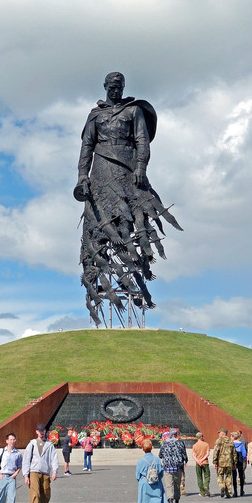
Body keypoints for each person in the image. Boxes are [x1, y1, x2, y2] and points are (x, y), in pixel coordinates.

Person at [75, 72, 182, 324]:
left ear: (123, 88)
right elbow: (87, 147)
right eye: (112, 87)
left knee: (130, 221)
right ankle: (101, 282)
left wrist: (141, 167)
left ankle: (135, 277)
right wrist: (82, 176)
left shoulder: (134, 111)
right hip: (101, 172)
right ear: (105, 87)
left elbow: (142, 141)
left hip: (127, 170)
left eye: (119, 87)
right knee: (99, 228)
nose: (115, 90)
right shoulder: (95, 115)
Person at [22, 423, 59, 503]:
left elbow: (54, 458)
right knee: (35, 493)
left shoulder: (49, 445)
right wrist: (26, 475)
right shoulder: (32, 444)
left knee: (45, 493)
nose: (41, 433)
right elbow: (26, 460)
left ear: (45, 431)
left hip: (45, 472)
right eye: (40, 431)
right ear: (36, 432)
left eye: (43, 431)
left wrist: (55, 471)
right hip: (34, 471)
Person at [131, 439, 165, 503]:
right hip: (156, 485)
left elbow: (137, 476)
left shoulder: (140, 461)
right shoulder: (157, 460)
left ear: (143, 448)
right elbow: (161, 473)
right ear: (151, 448)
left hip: (144, 485)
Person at [158, 430, 187, 503]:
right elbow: (184, 454)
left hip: (167, 467)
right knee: (177, 485)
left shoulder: (164, 443)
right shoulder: (180, 443)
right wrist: (185, 460)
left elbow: (160, 455)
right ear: (176, 435)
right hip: (177, 467)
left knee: (169, 485)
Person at [212, 428, 237, 498]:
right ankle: (228, 492)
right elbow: (234, 453)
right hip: (229, 462)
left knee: (220, 475)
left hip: (221, 463)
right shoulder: (231, 441)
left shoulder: (219, 440)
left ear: (223, 433)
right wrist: (234, 463)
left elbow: (216, 452)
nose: (219, 434)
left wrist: (215, 462)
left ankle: (222, 486)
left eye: (219, 433)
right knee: (228, 477)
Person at [191, 432, 211, 496]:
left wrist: (198, 461)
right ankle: (206, 485)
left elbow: (193, 455)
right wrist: (202, 460)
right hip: (205, 462)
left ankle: (202, 492)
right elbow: (207, 454)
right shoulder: (206, 444)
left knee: (199, 477)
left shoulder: (195, 445)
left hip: (198, 463)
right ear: (201, 437)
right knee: (207, 476)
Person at [231, 431, 247, 496]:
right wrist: (244, 458)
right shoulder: (241, 444)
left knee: (234, 476)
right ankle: (241, 490)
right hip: (240, 459)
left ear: (233, 437)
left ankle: (235, 492)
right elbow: (244, 453)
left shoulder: (231, 444)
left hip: (233, 460)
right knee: (241, 475)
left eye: (231, 436)